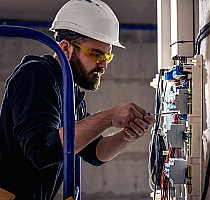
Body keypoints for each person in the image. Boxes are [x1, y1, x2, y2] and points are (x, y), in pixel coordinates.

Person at [0, 0, 155, 199]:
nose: (103, 65)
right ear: (65, 48)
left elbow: (95, 152)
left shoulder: (71, 90)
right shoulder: (36, 76)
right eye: (97, 54)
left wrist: (126, 136)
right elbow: (41, 151)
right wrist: (108, 117)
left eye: (107, 57)